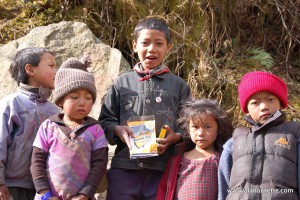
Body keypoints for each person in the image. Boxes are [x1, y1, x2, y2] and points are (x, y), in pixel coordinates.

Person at [98, 17, 191, 200]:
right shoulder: (122, 83)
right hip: (124, 168)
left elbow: (190, 125)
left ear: (168, 47)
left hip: (162, 169)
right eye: (145, 43)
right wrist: (117, 130)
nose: (151, 49)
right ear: (134, 45)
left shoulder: (178, 86)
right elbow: (105, 121)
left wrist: (176, 137)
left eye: (158, 43)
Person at [30, 56, 108, 200]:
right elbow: (36, 162)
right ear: (60, 100)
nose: (82, 102)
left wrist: (85, 194)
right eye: (74, 97)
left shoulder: (96, 130)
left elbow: (99, 165)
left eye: (88, 98)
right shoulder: (48, 127)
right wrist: (45, 194)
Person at [218, 71, 300, 200]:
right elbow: (224, 183)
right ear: (246, 108)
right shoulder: (235, 142)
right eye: (255, 103)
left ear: (281, 103)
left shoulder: (293, 135)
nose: (264, 107)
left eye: (270, 99)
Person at [0, 47, 60, 200]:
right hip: (11, 187)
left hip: (45, 189)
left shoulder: (55, 111)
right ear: (30, 69)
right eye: (51, 66)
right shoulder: (11, 104)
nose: (56, 71)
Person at [156, 98, 233, 200]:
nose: (200, 133)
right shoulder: (178, 160)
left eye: (207, 127)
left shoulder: (222, 159)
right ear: (188, 129)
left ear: (218, 129)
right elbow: (164, 189)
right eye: (195, 127)